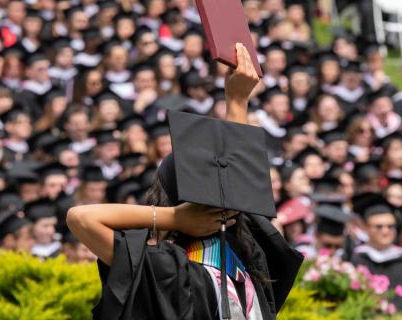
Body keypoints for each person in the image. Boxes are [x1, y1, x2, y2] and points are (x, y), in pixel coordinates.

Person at [68, 44, 301, 319]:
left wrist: (173, 219)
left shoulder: (236, 251)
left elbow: (81, 218)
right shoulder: (184, 264)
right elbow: (80, 217)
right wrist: (237, 101)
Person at [348, 197, 402, 319]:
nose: (385, 231)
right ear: (366, 228)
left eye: (390, 226)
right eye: (379, 226)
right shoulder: (354, 259)